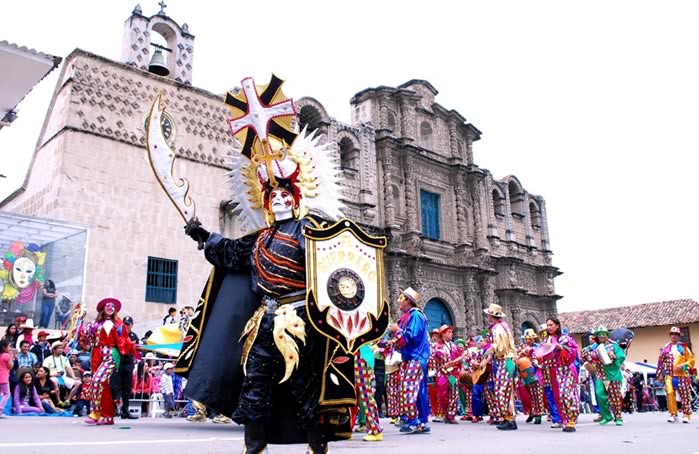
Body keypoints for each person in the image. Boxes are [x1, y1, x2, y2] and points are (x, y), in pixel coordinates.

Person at [390, 287, 431, 434]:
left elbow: (412, 336)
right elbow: (402, 340)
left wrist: (397, 330)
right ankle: (421, 422)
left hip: (416, 358)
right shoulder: (407, 316)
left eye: (401, 298)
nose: (398, 301)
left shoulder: (416, 315)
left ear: (408, 300)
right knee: (417, 390)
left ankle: (414, 422)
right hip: (410, 358)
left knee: (408, 388)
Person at [81, 297, 128, 425]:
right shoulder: (94, 324)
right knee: (102, 385)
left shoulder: (118, 324)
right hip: (96, 355)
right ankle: (107, 415)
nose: (111, 308)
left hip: (110, 355)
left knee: (97, 380)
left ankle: (95, 412)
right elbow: (84, 339)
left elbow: (124, 340)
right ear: (103, 308)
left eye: (113, 307)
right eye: (108, 306)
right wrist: (80, 320)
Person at [538, 317, 579, 432]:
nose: (549, 327)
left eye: (551, 325)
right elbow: (542, 355)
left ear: (557, 325)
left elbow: (573, 353)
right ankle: (565, 421)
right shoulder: (546, 340)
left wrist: (560, 348)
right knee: (558, 397)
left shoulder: (565, 338)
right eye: (548, 325)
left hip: (565, 370)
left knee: (566, 394)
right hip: (553, 372)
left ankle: (571, 421)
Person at [482, 304, 518, 431]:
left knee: (502, 390)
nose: (487, 317)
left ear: (491, 316)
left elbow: (499, 345)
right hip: (506, 361)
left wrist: (489, 350)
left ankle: (509, 419)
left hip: (504, 360)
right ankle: (509, 418)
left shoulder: (498, 327)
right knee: (505, 390)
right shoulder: (503, 326)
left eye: (488, 315)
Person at [657, 326, 695, 423]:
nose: (674, 336)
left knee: (684, 395)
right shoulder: (666, 347)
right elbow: (660, 361)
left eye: (676, 334)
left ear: (679, 336)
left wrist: (684, 365)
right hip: (669, 375)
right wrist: (659, 374)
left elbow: (691, 360)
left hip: (682, 375)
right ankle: (673, 414)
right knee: (670, 393)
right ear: (670, 335)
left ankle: (686, 414)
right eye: (672, 334)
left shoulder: (684, 347)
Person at [588, 327, 626, 425]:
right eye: (599, 334)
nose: (601, 336)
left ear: (607, 335)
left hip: (612, 375)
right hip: (600, 374)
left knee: (614, 397)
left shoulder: (614, 346)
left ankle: (618, 417)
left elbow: (621, 356)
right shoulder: (594, 347)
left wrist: (614, 357)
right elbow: (588, 356)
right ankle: (607, 416)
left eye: (603, 334)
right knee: (599, 394)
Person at [110, 315, 140, 420]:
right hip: (118, 363)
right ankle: (112, 410)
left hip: (128, 363)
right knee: (114, 387)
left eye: (128, 324)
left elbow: (137, 349)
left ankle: (125, 410)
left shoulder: (134, 336)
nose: (126, 326)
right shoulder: (117, 334)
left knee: (127, 388)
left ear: (132, 325)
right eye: (124, 324)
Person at [354, 343, 383, 441]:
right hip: (356, 353)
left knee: (366, 396)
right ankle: (345, 430)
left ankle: (375, 430)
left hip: (362, 354)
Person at [433, 325, 461, 424]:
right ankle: (446, 412)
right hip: (442, 373)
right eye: (449, 332)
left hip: (453, 373)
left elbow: (461, 358)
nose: (451, 334)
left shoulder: (455, 346)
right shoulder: (437, 346)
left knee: (454, 394)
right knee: (441, 394)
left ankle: (451, 415)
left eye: (451, 332)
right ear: (443, 334)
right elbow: (433, 359)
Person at [517, 329, 546, 424]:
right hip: (525, 375)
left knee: (537, 394)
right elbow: (517, 360)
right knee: (527, 396)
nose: (528, 341)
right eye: (526, 339)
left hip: (535, 374)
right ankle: (531, 412)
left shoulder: (538, 347)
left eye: (530, 339)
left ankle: (538, 415)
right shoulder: (522, 348)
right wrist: (521, 354)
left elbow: (541, 359)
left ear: (534, 339)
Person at [0, 340, 13, 416]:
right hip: (3, 378)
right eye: (9, 346)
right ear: (4, 348)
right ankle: (0, 410)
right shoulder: (6, 355)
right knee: (7, 394)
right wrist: (11, 357)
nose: (10, 348)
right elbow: (10, 366)